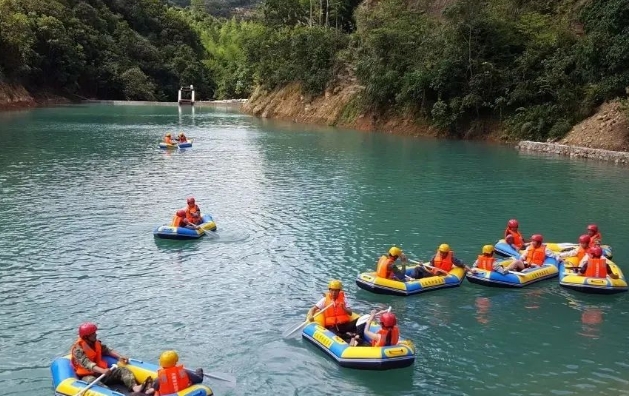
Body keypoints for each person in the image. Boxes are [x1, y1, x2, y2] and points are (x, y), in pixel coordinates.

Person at [70, 323, 143, 393]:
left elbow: (107, 350)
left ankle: (134, 387)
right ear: (86, 337)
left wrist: (120, 357)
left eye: (95, 332)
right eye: (93, 333)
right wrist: (102, 370)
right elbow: (88, 364)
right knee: (91, 381)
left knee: (122, 370)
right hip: (87, 375)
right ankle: (110, 393)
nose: (95, 334)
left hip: (100, 373)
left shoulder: (95, 342)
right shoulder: (78, 349)